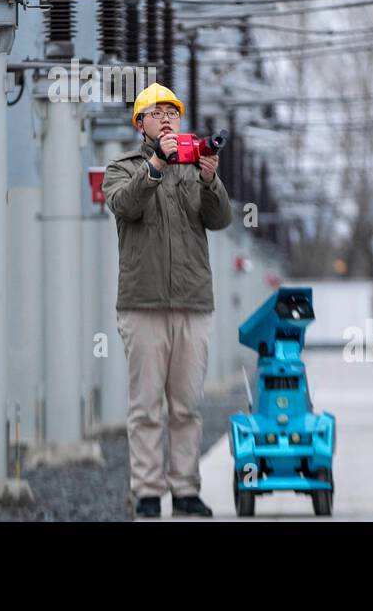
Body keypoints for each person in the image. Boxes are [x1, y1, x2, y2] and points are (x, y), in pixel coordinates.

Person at [102, 83, 233, 518]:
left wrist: (210, 179)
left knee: (187, 405)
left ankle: (185, 490)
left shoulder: (196, 167)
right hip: (142, 303)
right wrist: (156, 164)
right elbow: (126, 205)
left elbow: (220, 220)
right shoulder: (121, 168)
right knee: (145, 408)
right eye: (156, 113)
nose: (166, 119)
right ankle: (146, 492)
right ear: (140, 124)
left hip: (193, 302)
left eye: (172, 112)